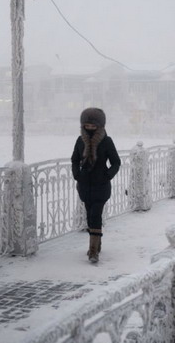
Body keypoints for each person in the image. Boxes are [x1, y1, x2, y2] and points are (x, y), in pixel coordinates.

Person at [71, 108, 121, 263]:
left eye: (93, 126)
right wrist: (77, 174)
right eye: (87, 125)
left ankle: (93, 251)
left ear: (100, 126)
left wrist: (107, 175)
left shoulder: (107, 141)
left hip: (101, 186)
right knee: (89, 216)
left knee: (95, 215)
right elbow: (74, 159)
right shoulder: (80, 141)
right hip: (85, 186)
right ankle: (97, 243)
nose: (90, 128)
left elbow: (116, 162)